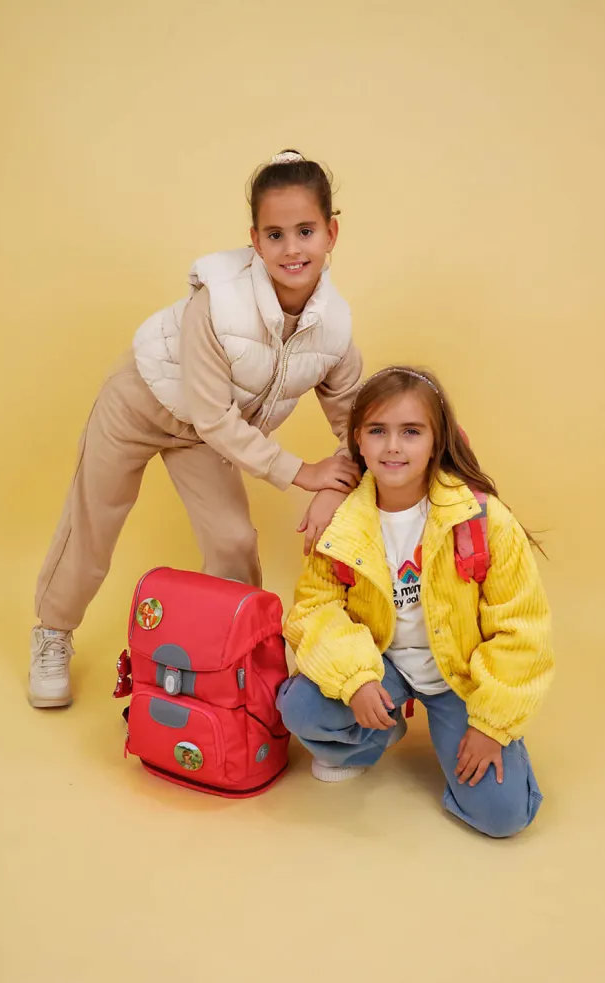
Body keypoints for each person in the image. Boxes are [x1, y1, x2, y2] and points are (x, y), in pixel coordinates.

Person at [29, 150, 363, 708]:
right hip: (141, 403)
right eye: (275, 235)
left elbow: (356, 422)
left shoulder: (334, 328)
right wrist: (302, 473)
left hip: (208, 435)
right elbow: (212, 414)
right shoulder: (218, 300)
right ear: (254, 241)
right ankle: (52, 630)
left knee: (234, 541)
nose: (291, 249)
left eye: (305, 232)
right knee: (94, 523)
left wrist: (345, 481)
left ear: (331, 233)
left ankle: (241, 657)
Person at [277, 366, 554, 837]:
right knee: (302, 707)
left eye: (411, 431)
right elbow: (315, 609)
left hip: (460, 675)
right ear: (357, 440)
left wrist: (491, 725)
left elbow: (521, 629)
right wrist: (356, 679)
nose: (393, 446)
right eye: (377, 431)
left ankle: (473, 741)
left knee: (503, 816)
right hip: (381, 662)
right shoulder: (340, 520)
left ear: (436, 439)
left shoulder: (483, 519)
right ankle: (374, 736)